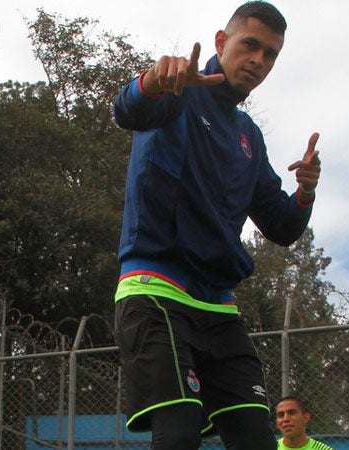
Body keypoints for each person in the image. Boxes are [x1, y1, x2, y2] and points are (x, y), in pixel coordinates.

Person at [112, 2, 322, 449]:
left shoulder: (248, 135)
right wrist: (153, 80)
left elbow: (281, 227)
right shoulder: (177, 90)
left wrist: (305, 192)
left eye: (270, 55)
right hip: (156, 292)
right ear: (222, 42)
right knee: (180, 430)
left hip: (218, 306)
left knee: (255, 436)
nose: (258, 61)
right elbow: (128, 110)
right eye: (250, 45)